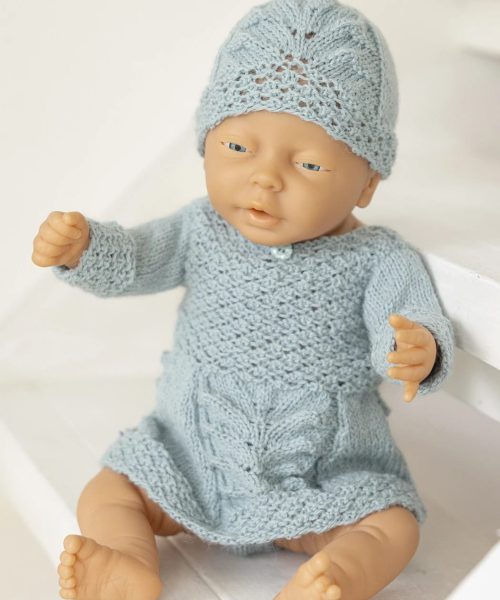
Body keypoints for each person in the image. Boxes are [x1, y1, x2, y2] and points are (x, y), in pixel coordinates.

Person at [31, 1, 455, 599]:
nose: (265, 178)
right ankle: (126, 563)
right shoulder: (199, 228)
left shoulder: (377, 258)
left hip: (320, 481)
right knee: (110, 489)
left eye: (309, 163)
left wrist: (418, 349)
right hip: (190, 462)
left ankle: (339, 576)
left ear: (366, 183)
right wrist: (85, 249)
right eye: (237, 148)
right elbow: (137, 257)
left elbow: (410, 319)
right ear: (206, 140)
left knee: (394, 524)